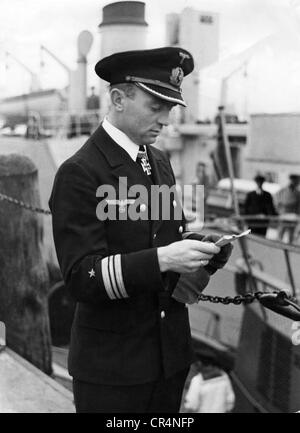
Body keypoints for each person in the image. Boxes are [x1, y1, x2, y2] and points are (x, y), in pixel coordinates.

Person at [49, 47, 233, 413]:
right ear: (118, 98)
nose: (166, 118)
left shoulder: (159, 162)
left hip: (169, 360)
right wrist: (163, 258)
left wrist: (200, 248)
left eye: (170, 107)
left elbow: (163, 239)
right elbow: (81, 277)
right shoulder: (81, 172)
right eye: (155, 106)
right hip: (112, 370)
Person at [276, 174, 300, 243]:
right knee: (280, 233)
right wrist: (280, 210)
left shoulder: (298, 193)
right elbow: (277, 201)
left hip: (293, 216)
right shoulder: (283, 190)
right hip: (284, 214)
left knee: (291, 235)